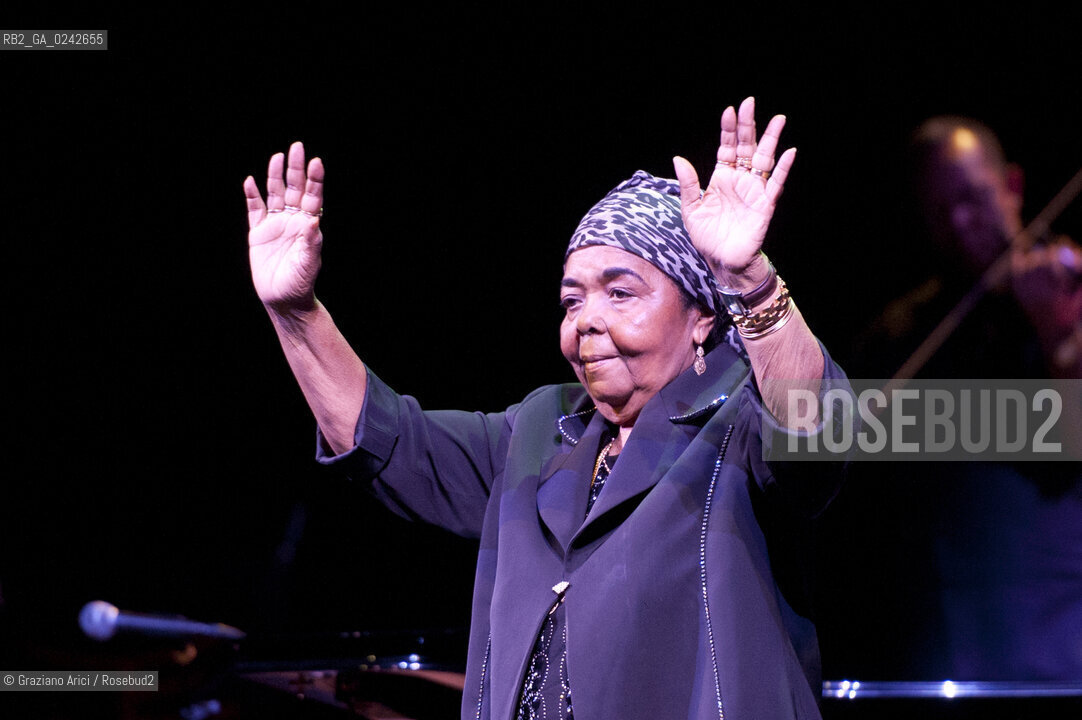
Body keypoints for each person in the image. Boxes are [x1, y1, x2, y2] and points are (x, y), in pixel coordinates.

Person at [242, 97, 851, 719]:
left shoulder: (741, 421)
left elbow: (817, 428)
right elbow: (389, 442)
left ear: (699, 317)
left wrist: (748, 278)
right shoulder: (539, 427)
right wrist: (296, 314)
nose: (586, 321)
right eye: (571, 301)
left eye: (620, 293)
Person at [827, 116, 1082, 681]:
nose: (959, 222)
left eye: (972, 198)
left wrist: (1060, 339)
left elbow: (1071, 441)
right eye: (940, 210)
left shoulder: (1066, 298)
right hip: (937, 642)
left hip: (1061, 637)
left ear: (1012, 186)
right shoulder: (901, 331)